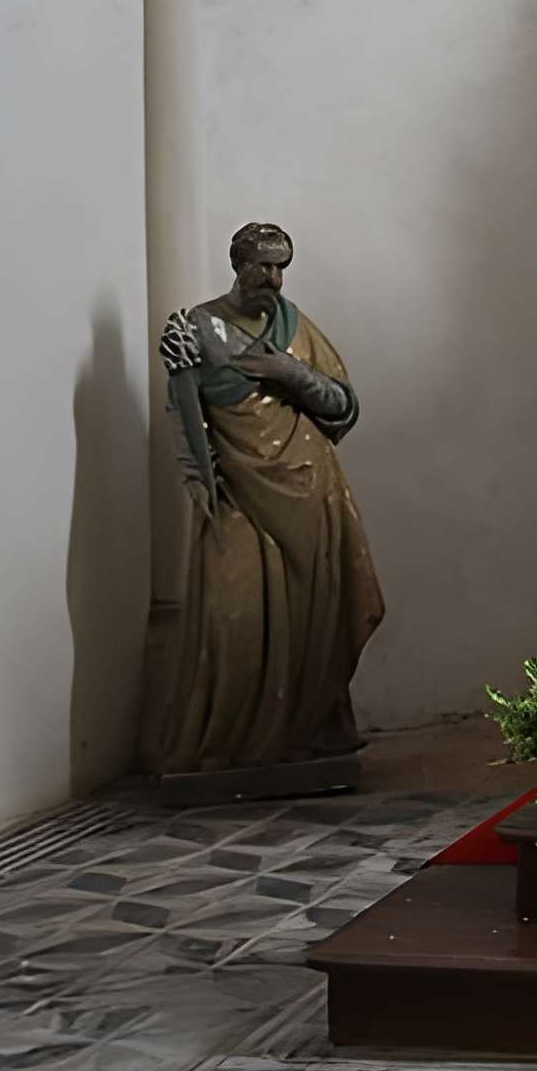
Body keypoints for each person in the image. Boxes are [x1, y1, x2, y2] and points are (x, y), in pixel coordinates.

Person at [146, 224, 387, 778]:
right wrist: (197, 476)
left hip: (311, 491)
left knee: (315, 620)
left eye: (282, 267)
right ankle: (231, 745)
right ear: (237, 263)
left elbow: (344, 405)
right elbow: (183, 414)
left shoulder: (294, 327)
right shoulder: (196, 327)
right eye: (263, 266)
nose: (273, 279)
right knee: (233, 618)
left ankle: (306, 734)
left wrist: (292, 372)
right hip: (237, 494)